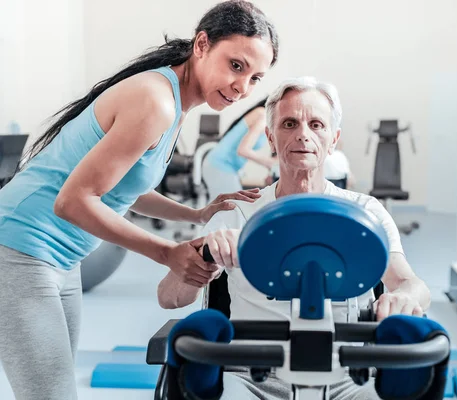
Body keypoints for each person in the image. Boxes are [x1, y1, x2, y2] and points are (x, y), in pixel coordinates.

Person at [0, 1, 279, 399]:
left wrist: (196, 214)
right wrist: (167, 253)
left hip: (63, 260)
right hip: (20, 249)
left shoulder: (177, 102)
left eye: (255, 78)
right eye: (236, 65)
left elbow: (126, 187)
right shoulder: (156, 101)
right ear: (202, 45)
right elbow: (73, 201)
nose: (243, 86)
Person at [157, 76, 431, 399]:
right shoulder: (237, 211)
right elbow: (169, 297)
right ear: (271, 139)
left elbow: (413, 285)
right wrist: (205, 256)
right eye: (290, 123)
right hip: (251, 376)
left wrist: (405, 298)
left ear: (333, 140)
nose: (303, 134)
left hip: (350, 377)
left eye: (317, 125)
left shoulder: (365, 212)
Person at [202, 97, 277, 201]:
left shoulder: (267, 120)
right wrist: (271, 163)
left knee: (226, 209)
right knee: (231, 208)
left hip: (224, 166)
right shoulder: (263, 115)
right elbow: (243, 150)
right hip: (220, 165)